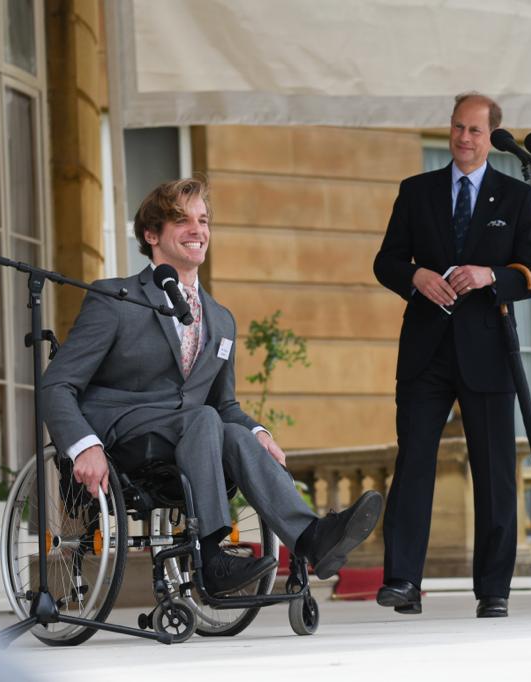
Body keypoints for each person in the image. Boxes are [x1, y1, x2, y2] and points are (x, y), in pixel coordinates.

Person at [42, 178, 381, 597]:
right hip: (126, 436)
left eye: (203, 221)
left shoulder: (220, 319)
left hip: (191, 436)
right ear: (151, 235)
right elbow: (57, 383)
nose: (197, 230)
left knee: (235, 434)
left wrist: (259, 433)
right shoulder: (118, 298)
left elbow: (225, 404)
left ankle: (312, 538)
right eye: (181, 220)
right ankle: (210, 555)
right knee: (202, 419)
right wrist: (82, 445)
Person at [373, 93, 531, 618]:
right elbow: (385, 261)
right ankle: (403, 581)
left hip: (489, 349)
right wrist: (415, 276)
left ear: (493, 136)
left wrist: (489, 276)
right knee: (414, 465)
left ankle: (494, 589)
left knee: (495, 472)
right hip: (426, 350)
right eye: (457, 128)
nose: (464, 138)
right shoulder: (417, 191)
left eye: (475, 130)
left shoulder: (516, 197)